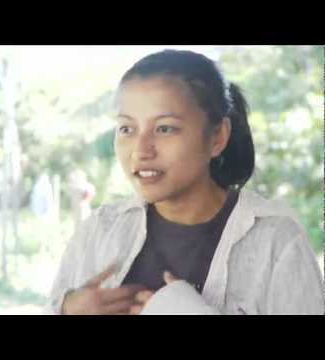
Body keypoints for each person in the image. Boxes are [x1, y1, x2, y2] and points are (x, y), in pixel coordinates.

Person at [45, 49, 324, 315]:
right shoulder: (99, 231)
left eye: (165, 128)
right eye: (127, 129)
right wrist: (67, 309)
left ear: (217, 137)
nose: (141, 150)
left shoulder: (276, 241)